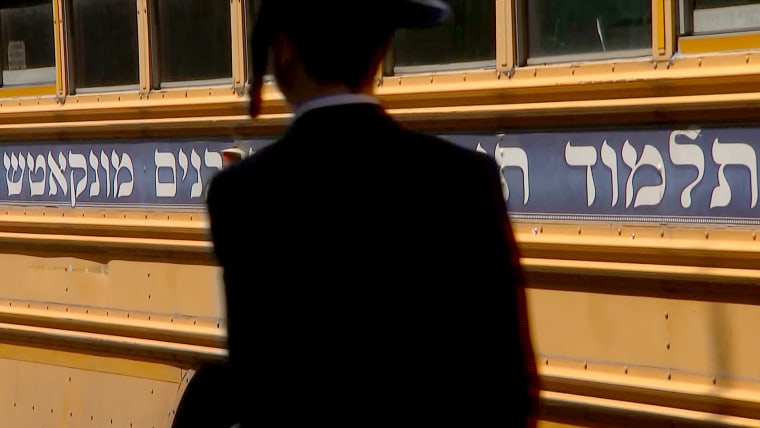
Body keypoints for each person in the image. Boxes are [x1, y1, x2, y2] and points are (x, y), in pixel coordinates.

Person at [206, 1, 539, 426]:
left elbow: (257, 388)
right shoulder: (463, 180)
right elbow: (506, 386)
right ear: (381, 50)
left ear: (284, 48)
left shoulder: (243, 195)